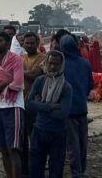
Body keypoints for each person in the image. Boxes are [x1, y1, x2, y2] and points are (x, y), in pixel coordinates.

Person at [28, 50, 73, 178]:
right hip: (38, 131)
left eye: (56, 64)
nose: (53, 67)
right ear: (46, 63)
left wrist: (40, 105)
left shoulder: (66, 87)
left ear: (62, 65)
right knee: (35, 170)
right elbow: (29, 104)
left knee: (56, 171)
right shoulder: (40, 81)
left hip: (57, 134)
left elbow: (63, 114)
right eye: (50, 63)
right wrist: (51, 106)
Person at [0, 32, 24, 178]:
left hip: (14, 107)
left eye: (0, 41)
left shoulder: (16, 60)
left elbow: (18, 84)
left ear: (8, 44)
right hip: (0, 107)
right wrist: (8, 80)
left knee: (13, 148)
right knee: (3, 148)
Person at [60, 35, 94, 178]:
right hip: (82, 109)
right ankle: (82, 170)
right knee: (82, 144)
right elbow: (90, 87)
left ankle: (77, 172)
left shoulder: (60, 64)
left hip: (67, 111)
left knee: (72, 145)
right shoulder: (85, 63)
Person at [20, 32, 46, 177]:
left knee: (36, 143)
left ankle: (37, 171)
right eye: (26, 43)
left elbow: (34, 75)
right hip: (21, 104)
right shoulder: (20, 58)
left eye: (31, 43)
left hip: (36, 106)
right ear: (23, 44)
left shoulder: (43, 58)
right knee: (22, 143)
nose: (29, 45)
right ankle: (25, 171)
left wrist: (18, 71)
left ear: (37, 44)